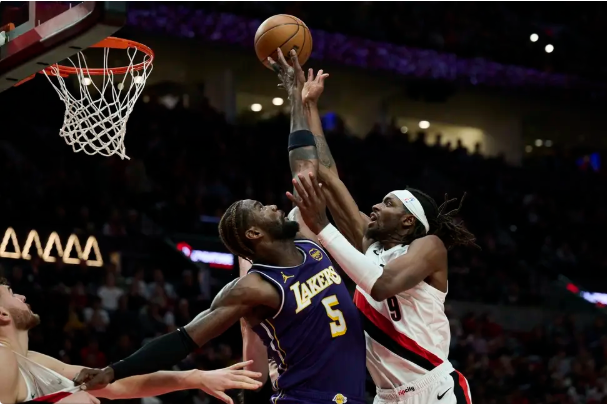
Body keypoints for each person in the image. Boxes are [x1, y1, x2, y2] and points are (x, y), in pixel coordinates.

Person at [74, 48, 368, 404]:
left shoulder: (306, 236)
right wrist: (113, 371)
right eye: (261, 208)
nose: (273, 205)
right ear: (254, 234)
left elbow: (305, 169)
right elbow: (184, 338)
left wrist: (295, 96)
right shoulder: (254, 287)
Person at [285, 79, 477, 403]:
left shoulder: (429, 247)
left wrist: (322, 227)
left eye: (388, 204)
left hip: (434, 390)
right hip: (385, 396)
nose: (375, 206)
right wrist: (309, 106)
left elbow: (381, 285)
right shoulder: (369, 246)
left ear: (408, 221)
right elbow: (327, 176)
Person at [0, 277, 262, 404]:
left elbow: (115, 386)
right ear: (1, 314)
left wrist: (195, 378)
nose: (22, 296)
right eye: (11, 293)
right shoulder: (2, 357)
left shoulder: (32, 360)